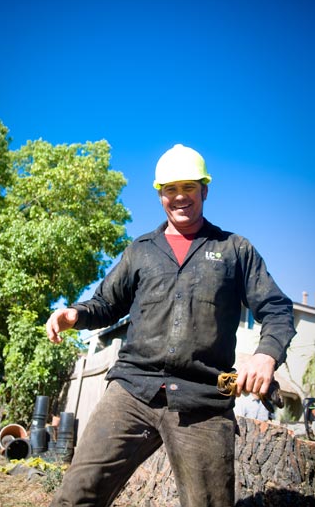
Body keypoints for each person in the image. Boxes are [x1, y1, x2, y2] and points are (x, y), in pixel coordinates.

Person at [46, 144, 296, 507]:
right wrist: (76, 315)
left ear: (204, 190)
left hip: (203, 399)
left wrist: (265, 356)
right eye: (170, 189)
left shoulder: (234, 250)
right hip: (132, 389)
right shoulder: (141, 250)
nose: (180, 197)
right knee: (76, 495)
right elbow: (106, 304)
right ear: (160, 194)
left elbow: (276, 307)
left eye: (189, 188)